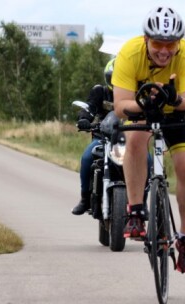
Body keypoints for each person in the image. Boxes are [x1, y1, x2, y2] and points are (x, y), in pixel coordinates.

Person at [112, 6, 185, 274]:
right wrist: (144, 103)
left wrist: (173, 99)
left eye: (170, 44)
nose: (164, 50)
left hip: (176, 115)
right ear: (145, 40)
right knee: (136, 140)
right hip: (142, 112)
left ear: (178, 43)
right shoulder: (129, 53)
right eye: (157, 43)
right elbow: (120, 106)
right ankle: (137, 211)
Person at [71, 59, 116, 215]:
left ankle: (141, 205)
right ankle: (85, 199)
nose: (117, 81)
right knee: (87, 158)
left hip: (128, 139)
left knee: (148, 161)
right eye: (114, 77)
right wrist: (84, 119)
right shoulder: (100, 92)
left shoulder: (135, 92)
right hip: (103, 138)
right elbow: (89, 108)